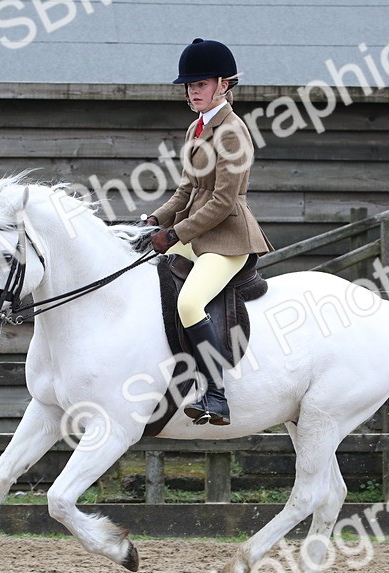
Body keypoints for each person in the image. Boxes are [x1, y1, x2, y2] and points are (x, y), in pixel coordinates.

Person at [146, 38, 273, 426]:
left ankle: (216, 395)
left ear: (223, 84)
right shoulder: (196, 128)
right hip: (198, 235)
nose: (192, 92)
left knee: (189, 303)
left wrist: (176, 234)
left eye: (199, 85)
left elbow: (220, 201)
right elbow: (187, 190)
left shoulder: (232, 132)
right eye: (189, 86)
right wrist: (153, 221)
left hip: (228, 239)